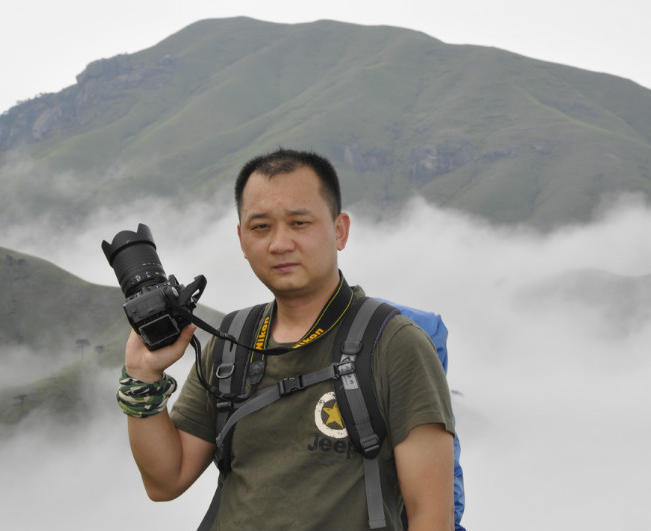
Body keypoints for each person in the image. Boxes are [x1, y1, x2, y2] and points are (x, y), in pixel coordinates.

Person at [120, 148, 456, 530]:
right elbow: (166, 481)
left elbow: (432, 517)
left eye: (299, 223)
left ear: (340, 230)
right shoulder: (232, 344)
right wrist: (142, 377)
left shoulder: (395, 345)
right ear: (242, 239)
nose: (279, 243)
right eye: (261, 227)